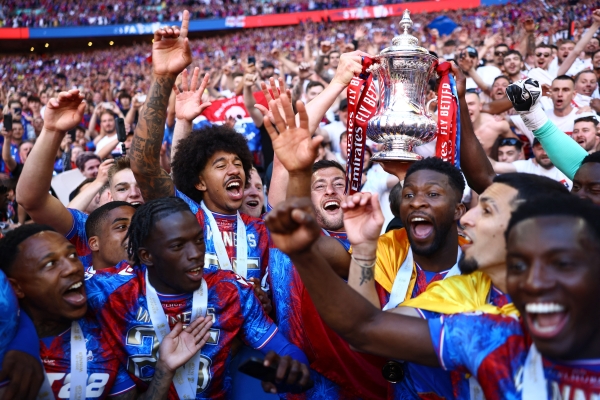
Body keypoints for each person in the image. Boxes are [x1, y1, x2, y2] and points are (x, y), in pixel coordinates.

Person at [266, 193, 600, 399]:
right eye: (522, 264)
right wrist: (305, 254)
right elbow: (365, 330)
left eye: (563, 264)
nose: (537, 280)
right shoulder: (485, 336)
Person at [85, 196, 312, 398]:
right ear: (146, 256)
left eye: (198, 240)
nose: (196, 254)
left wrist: (292, 367)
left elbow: (285, 350)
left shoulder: (230, 291)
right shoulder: (107, 292)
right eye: (177, 246)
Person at [0, 223, 214, 400]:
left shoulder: (103, 330)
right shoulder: (6, 345)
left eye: (73, 255)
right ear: (15, 287)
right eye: (50, 264)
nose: (72, 268)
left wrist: (164, 369)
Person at [16, 91, 143, 269]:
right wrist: (52, 131)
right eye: (122, 188)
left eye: (140, 186)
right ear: (109, 196)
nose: (134, 193)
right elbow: (31, 199)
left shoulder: (167, 220)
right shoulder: (89, 230)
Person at [490, 138, 572, 189]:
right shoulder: (525, 166)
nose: (544, 153)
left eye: (548, 148)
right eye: (540, 149)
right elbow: (495, 166)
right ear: (533, 150)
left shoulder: (570, 168)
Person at [465, 91, 514, 155]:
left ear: (480, 106)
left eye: (471, 104)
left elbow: (517, 150)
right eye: (463, 105)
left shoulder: (497, 124)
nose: (466, 108)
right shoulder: (454, 127)